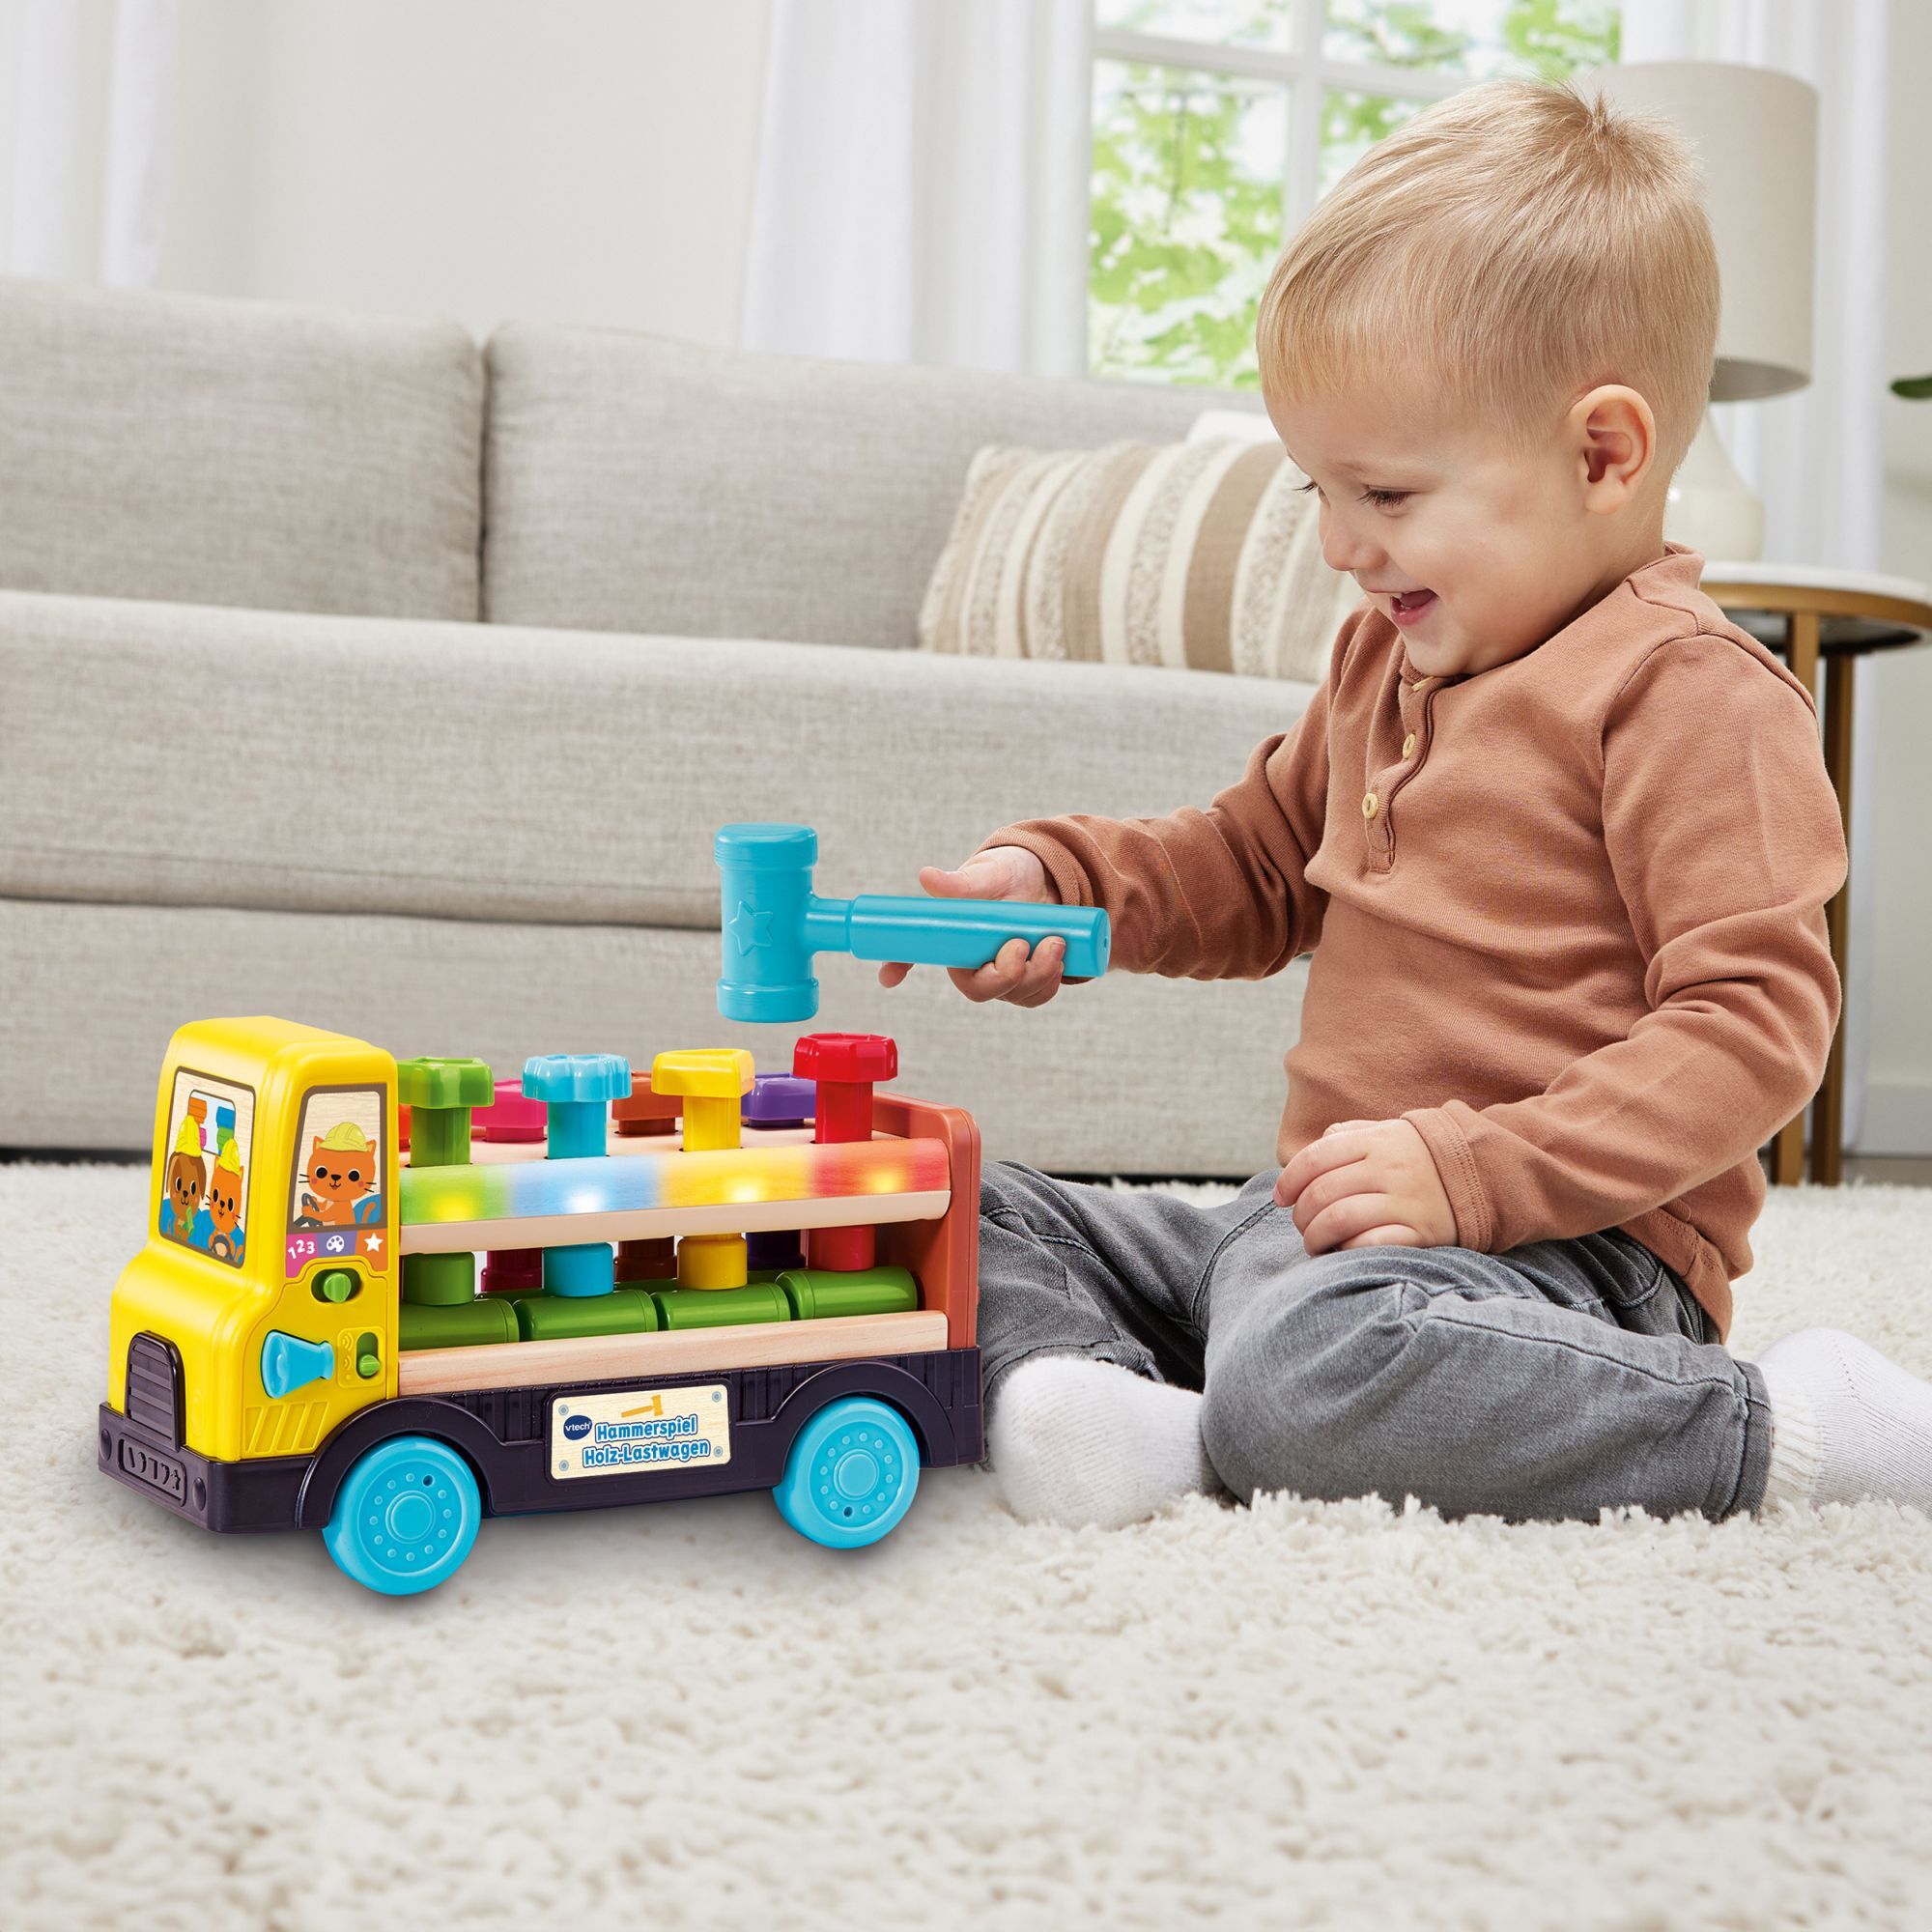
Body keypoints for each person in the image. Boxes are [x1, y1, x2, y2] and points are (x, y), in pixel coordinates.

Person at [882, 77, 1932, 1531]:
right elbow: (1258, 863)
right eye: (1316, 490)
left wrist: (1475, 1173)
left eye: (1383, 495)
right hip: (1312, 1225)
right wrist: (1067, 882)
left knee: (1311, 1369)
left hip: (1564, 1256)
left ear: (1603, 455)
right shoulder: (1387, 659)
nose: (1337, 543)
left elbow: (1756, 1027)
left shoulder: (1692, 696)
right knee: (939, 1198)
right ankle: (1137, 1412)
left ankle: (1789, 1427)